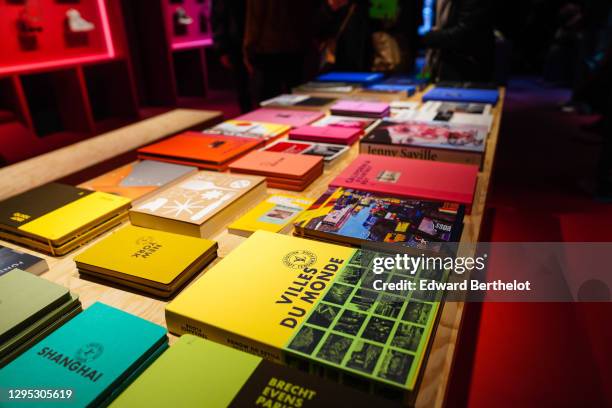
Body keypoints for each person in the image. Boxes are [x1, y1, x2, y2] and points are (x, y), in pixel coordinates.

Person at [243, 0, 319, 102]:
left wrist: (248, 49)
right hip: (296, 48)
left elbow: (254, 21)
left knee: (269, 99)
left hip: (267, 50)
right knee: (295, 97)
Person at [422, 0, 495, 82]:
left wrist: (430, 37)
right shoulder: (439, 2)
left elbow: (464, 34)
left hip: (467, 68)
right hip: (443, 63)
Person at [211, 0, 252, 113]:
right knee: (243, 87)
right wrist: (222, 49)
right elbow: (219, 18)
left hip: (251, 41)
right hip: (237, 43)